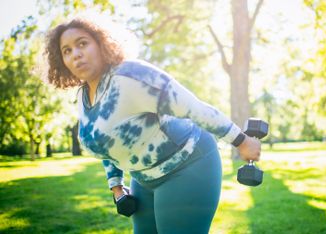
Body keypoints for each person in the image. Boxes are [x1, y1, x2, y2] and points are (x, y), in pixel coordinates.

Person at [44, 17, 261, 234]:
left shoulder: (130, 75)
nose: (76, 54)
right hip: (143, 178)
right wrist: (117, 187)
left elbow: (192, 107)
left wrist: (240, 140)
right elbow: (105, 144)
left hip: (187, 163)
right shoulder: (83, 97)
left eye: (82, 43)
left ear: (101, 43)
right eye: (67, 50)